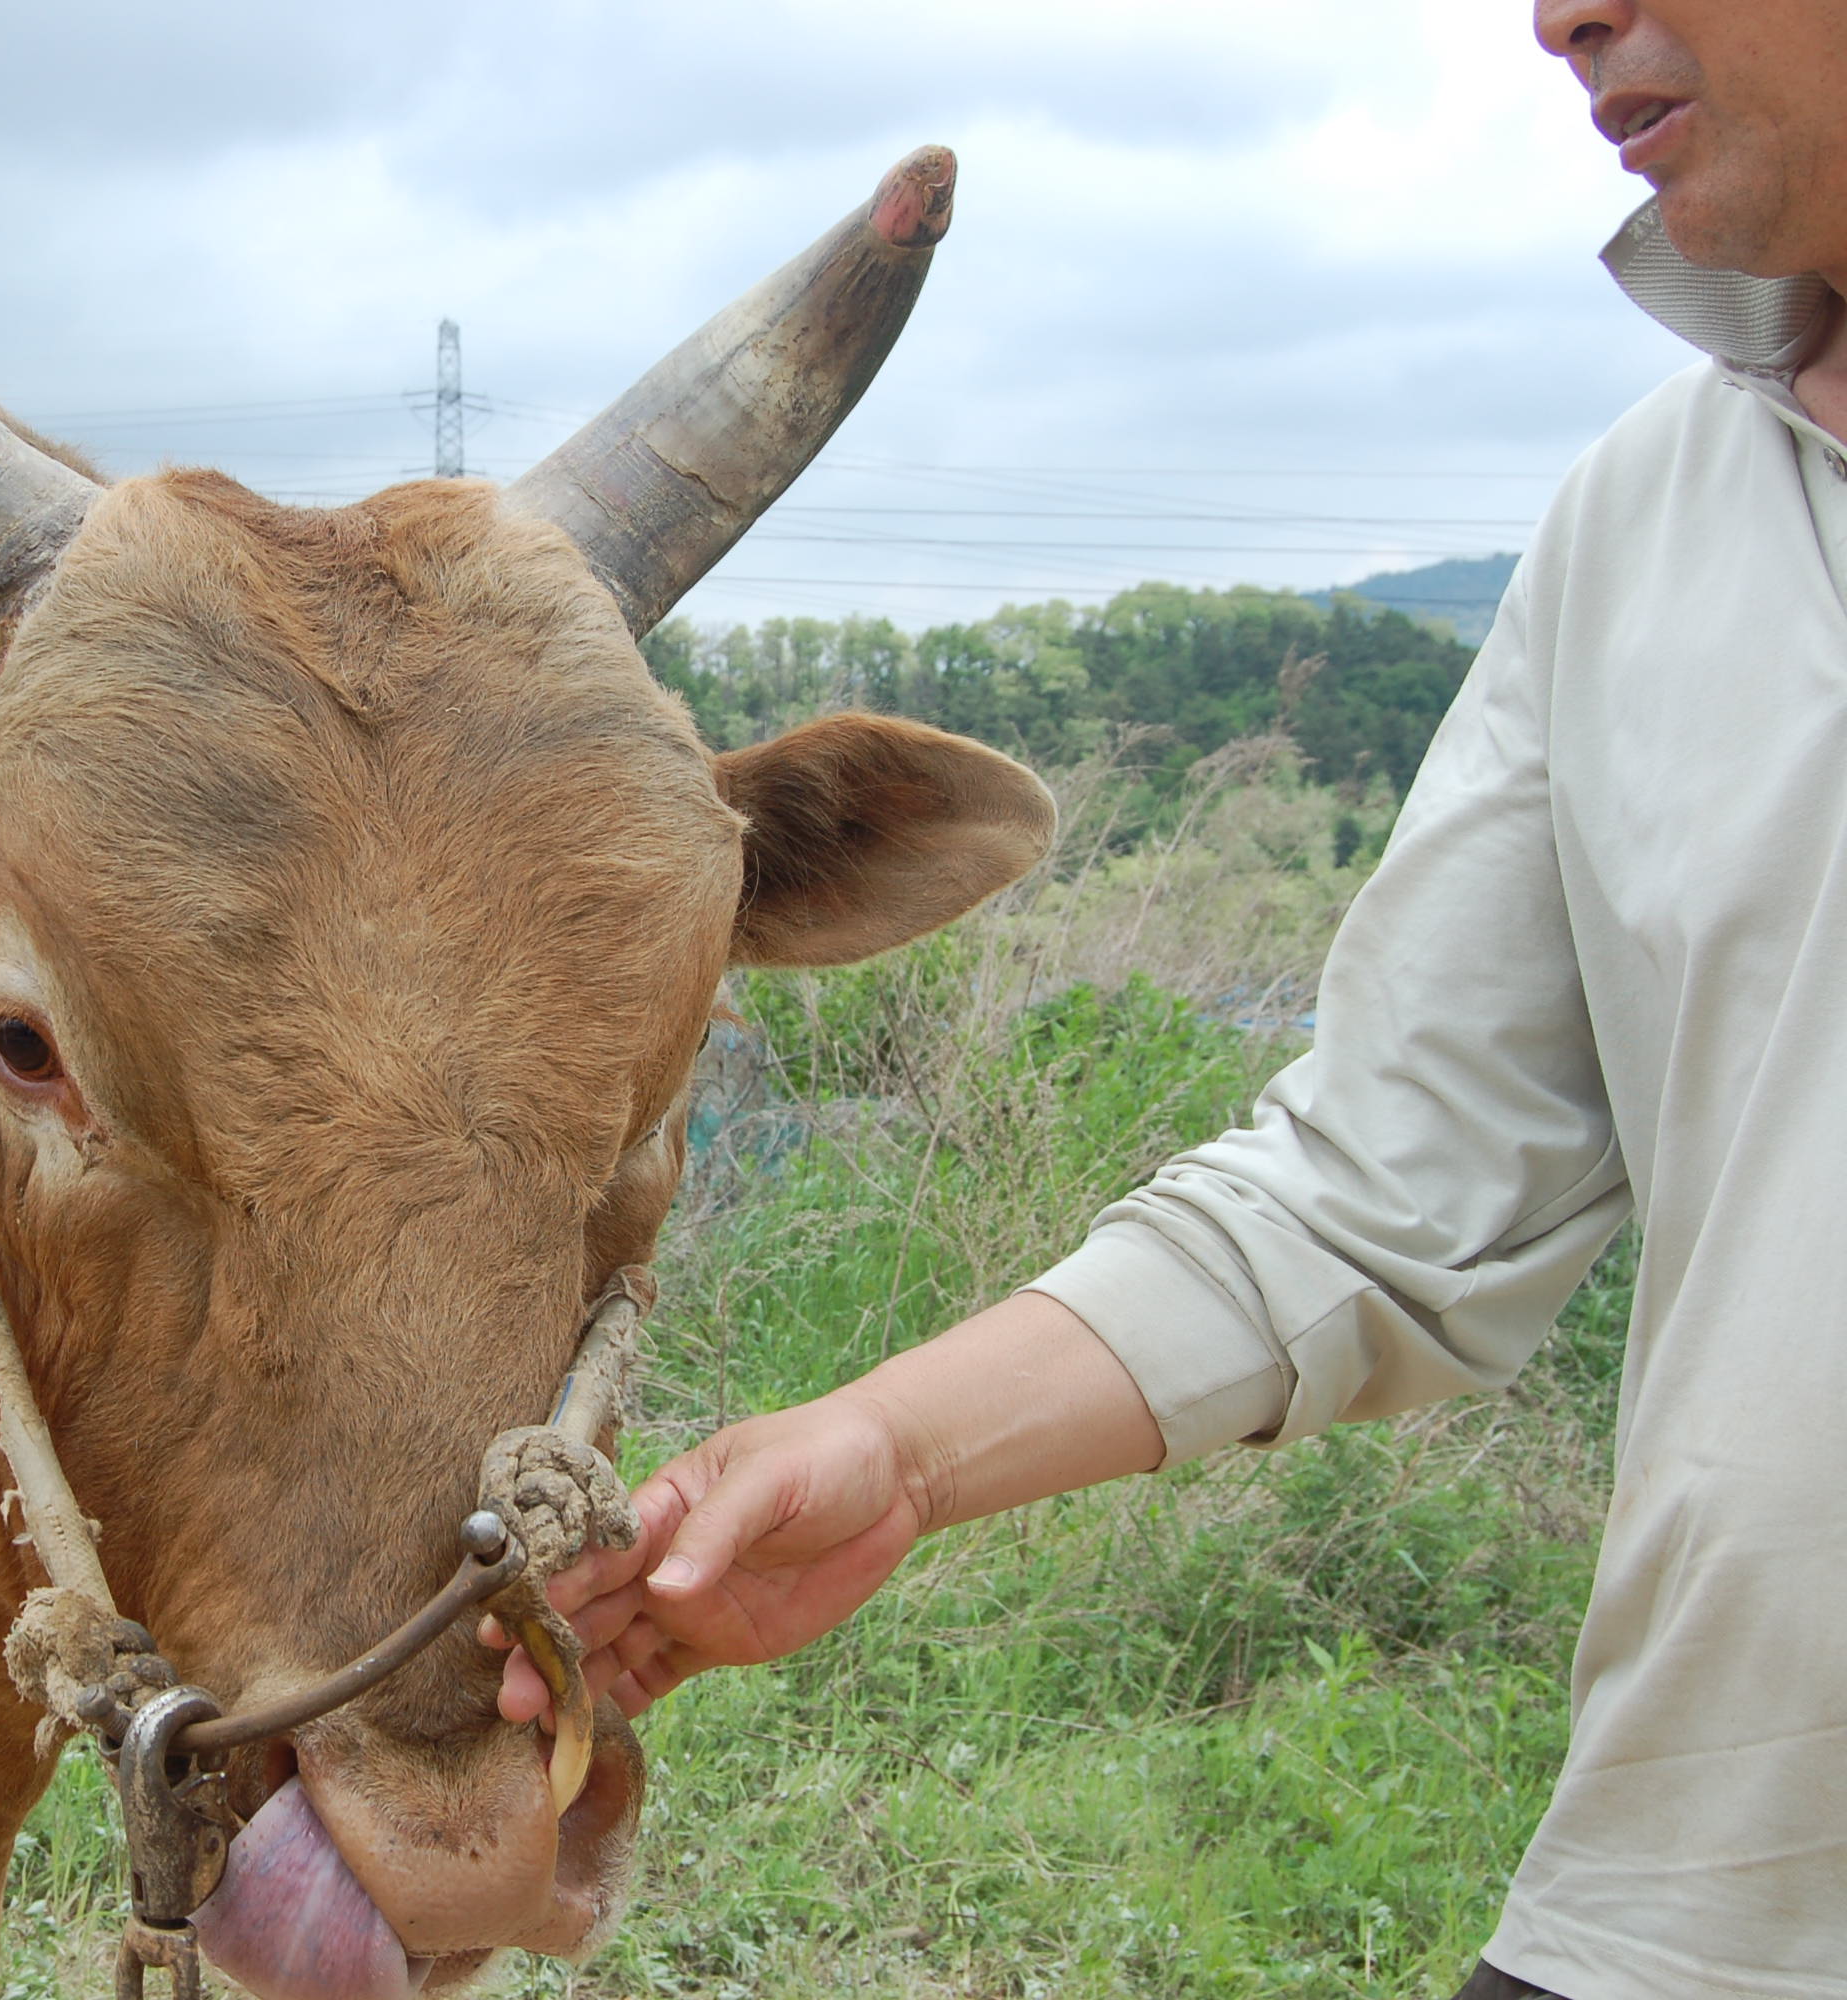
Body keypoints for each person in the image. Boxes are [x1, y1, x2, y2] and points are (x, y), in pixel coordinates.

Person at [494, 6, 1847, 1995]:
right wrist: (889, 1446)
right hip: (1703, 1907)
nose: (1556, 15)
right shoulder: (1645, 522)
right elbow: (1385, 1188)